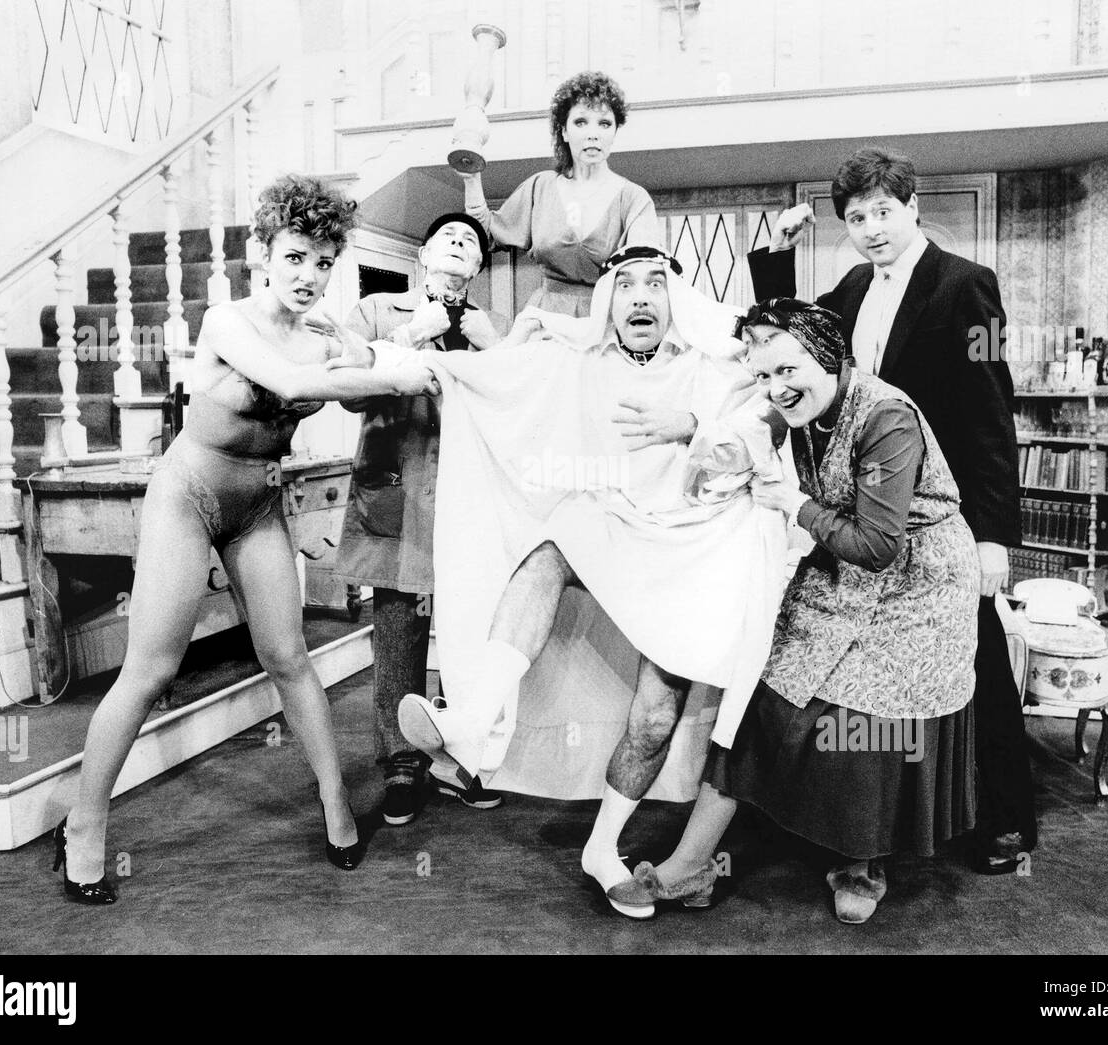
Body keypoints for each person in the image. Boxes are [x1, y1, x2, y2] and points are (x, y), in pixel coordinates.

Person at [55, 175, 439, 904]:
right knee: (152, 668)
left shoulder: (325, 330)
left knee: (290, 656)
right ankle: (84, 824)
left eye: (324, 263)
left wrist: (410, 353)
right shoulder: (227, 322)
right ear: (264, 252)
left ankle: (332, 801)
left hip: (258, 502)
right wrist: (379, 373)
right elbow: (295, 386)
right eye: (295, 257)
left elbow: (386, 353)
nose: (308, 276)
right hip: (189, 495)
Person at [393, 246, 787, 919]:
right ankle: (470, 718)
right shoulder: (578, 360)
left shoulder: (715, 364)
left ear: (675, 301)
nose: (640, 297)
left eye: (655, 284)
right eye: (625, 284)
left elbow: (781, 401)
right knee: (554, 540)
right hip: (615, 528)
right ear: (608, 300)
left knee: (656, 714)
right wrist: (407, 358)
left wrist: (694, 424)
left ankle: (602, 850)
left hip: (692, 552)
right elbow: (490, 377)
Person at [635, 298, 980, 922]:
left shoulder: (887, 417)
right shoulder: (797, 404)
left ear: (828, 357)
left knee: (864, 723)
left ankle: (861, 864)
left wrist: (794, 505)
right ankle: (691, 865)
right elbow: (739, 435)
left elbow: (878, 546)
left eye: (788, 370)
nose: (777, 388)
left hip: (917, 586)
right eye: (764, 375)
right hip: (840, 558)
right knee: (756, 696)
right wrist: (692, 431)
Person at [746, 147, 1037, 872]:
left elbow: (993, 410)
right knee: (863, 661)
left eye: (883, 212)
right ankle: (860, 818)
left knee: (977, 660)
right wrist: (777, 260)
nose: (871, 228)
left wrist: (996, 535)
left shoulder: (970, 285)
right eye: (855, 217)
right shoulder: (849, 286)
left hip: (943, 516)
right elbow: (793, 337)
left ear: (913, 208)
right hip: (869, 511)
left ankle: (1003, 815)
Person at [333, 212, 508, 827]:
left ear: (479, 268)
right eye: (448, 236)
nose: (460, 242)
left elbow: (520, 405)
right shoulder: (379, 309)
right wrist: (413, 332)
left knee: (470, 633)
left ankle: (463, 760)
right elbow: (348, 386)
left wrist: (497, 350)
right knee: (399, 627)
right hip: (397, 489)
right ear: (425, 252)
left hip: (470, 498)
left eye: (471, 241)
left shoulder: (490, 328)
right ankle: (402, 765)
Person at [461, 70, 659, 317]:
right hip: (545, 321)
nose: (593, 133)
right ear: (564, 132)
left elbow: (646, 268)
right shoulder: (540, 187)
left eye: (604, 123)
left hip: (607, 322)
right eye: (580, 122)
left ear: (615, 132)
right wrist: (471, 178)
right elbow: (485, 232)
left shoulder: (633, 198)